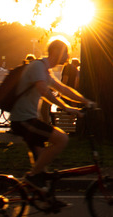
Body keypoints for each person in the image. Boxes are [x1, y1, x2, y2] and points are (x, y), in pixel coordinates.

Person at [9, 36, 94, 202]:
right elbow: (43, 90)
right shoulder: (38, 67)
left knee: (42, 162)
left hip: (28, 119)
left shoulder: (44, 70)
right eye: (66, 53)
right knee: (61, 139)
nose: (68, 57)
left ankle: (44, 197)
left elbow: (62, 89)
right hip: (23, 121)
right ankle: (32, 178)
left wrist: (85, 101)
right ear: (56, 52)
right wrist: (67, 107)